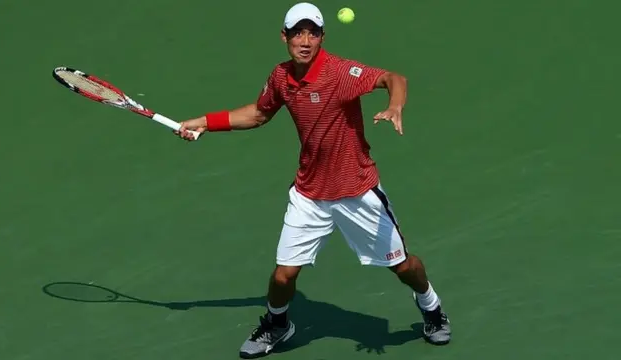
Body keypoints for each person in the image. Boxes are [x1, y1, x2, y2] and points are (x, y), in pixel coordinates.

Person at [175, 2, 451, 358]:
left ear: (322, 37)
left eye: (313, 33)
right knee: (282, 277)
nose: (305, 40)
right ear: (284, 37)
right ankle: (277, 324)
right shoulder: (280, 77)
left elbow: (393, 78)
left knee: (403, 267)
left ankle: (431, 307)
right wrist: (204, 122)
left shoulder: (339, 73)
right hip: (310, 194)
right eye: (298, 32)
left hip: (357, 191)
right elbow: (258, 113)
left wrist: (396, 104)